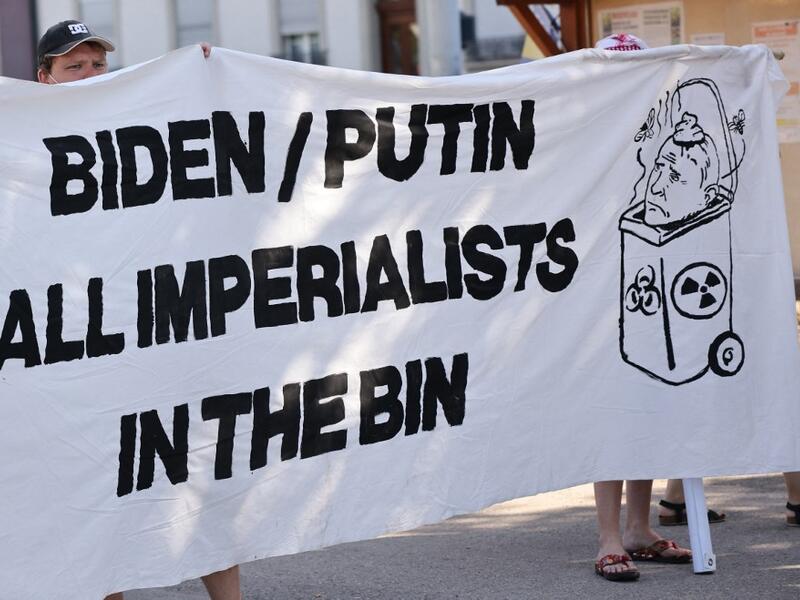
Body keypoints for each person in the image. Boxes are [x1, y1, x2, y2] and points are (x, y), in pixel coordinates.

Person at [36, 19, 240, 600]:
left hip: (155, 331)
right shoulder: (20, 137)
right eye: (75, 66)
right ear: (45, 78)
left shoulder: (138, 117)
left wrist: (204, 77)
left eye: (98, 64)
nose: (90, 74)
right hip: (78, 343)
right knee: (97, 494)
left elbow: (206, 135)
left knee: (193, 479)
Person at [592, 33, 692, 582]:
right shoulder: (588, 130)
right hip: (601, 293)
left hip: (653, 277)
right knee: (612, 413)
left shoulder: (660, 127)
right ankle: (610, 536)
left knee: (649, 404)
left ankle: (637, 528)